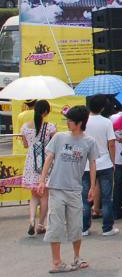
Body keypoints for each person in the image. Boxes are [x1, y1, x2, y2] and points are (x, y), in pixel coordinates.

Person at [37, 105, 98, 274]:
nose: (68, 123)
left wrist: (92, 187)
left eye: (70, 120)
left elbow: (92, 164)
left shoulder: (89, 142)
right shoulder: (59, 138)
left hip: (75, 189)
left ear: (80, 123)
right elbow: (49, 158)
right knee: (55, 225)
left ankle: (77, 257)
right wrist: (42, 181)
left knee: (76, 225)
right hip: (56, 187)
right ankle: (57, 262)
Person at [82, 94, 118, 237]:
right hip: (104, 163)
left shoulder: (84, 121)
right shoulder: (106, 122)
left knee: (85, 197)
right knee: (107, 197)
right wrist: (113, 161)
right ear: (103, 107)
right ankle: (107, 228)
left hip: (86, 164)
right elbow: (111, 143)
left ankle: (83, 228)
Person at [21, 99, 56, 237]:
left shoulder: (25, 127)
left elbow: (25, 144)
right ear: (46, 111)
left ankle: (31, 220)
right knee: (44, 195)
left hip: (31, 163)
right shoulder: (50, 127)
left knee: (34, 195)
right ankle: (41, 224)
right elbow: (55, 145)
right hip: (45, 163)